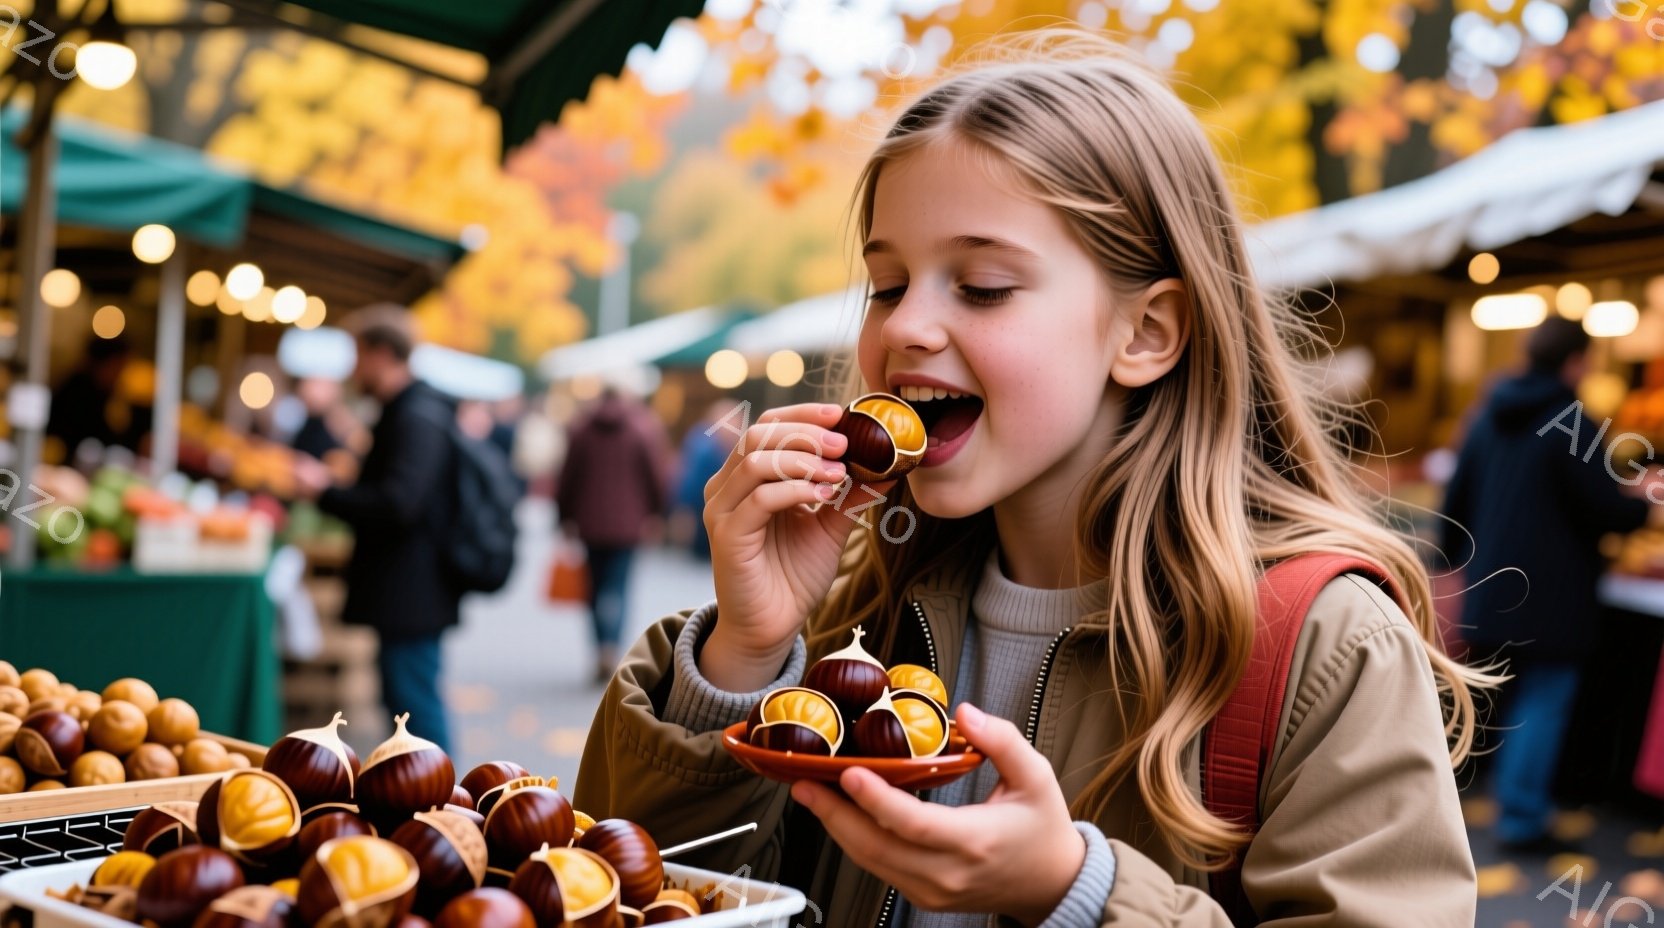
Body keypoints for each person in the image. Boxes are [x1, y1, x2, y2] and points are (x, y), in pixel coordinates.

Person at [575, 30, 1487, 926]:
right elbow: (648, 898)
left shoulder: (1324, 647)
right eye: (888, 285)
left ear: (1146, 334)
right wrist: (742, 653)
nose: (905, 328)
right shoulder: (860, 622)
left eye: (980, 286)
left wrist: (1080, 894)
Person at [1441, 316, 1657, 855]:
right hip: (1553, 597)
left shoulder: (1486, 415)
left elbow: (1454, 505)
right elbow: (1604, 506)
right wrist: (1638, 503)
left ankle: (1492, 805)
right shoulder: (1570, 419)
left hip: (1491, 588)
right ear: (1576, 362)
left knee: (1507, 698)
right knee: (1544, 698)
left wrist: (1451, 564)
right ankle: (1521, 820)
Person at [295, 305, 460, 753]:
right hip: (406, 588)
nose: (352, 367)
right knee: (405, 700)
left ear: (383, 354)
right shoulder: (406, 411)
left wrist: (326, 491)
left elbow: (398, 503)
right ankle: (428, 799)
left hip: (413, 589)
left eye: (357, 354)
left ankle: (444, 806)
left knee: (415, 705)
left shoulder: (415, 416)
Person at [555, 383, 671, 681]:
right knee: (619, 589)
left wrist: (564, 517)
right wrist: (657, 513)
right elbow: (655, 477)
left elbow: (567, 476)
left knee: (594, 590)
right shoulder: (641, 429)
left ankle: (599, 647)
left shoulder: (581, 430)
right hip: (628, 526)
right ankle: (612, 646)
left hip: (589, 524)